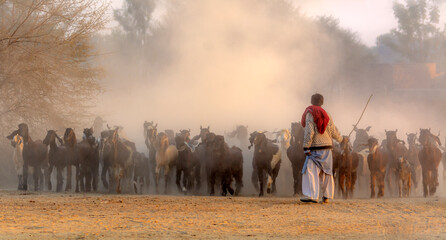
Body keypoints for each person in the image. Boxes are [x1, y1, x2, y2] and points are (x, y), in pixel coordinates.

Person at [300, 93, 343, 203]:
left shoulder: (310, 114)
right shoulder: (327, 114)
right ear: (322, 102)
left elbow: (309, 131)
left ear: (311, 101)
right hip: (328, 148)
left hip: (315, 148)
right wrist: (341, 139)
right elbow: (333, 131)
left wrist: (306, 146)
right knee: (327, 171)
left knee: (310, 171)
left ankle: (312, 196)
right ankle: (327, 196)